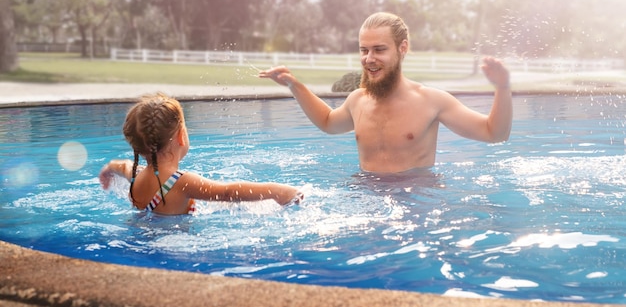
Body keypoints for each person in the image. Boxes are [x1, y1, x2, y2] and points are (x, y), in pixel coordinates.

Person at [259, 12, 512, 174]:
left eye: (379, 49)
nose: (369, 58)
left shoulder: (432, 101)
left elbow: (494, 133)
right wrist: (295, 85)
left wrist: (502, 87)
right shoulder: (357, 100)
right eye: (364, 50)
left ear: (402, 48)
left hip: (417, 203)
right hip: (365, 197)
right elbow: (327, 122)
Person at [99, 93, 303, 215]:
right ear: (181, 136)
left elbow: (122, 166)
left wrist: (107, 170)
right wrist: (276, 190)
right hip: (173, 248)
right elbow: (228, 192)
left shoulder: (136, 176)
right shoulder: (181, 182)